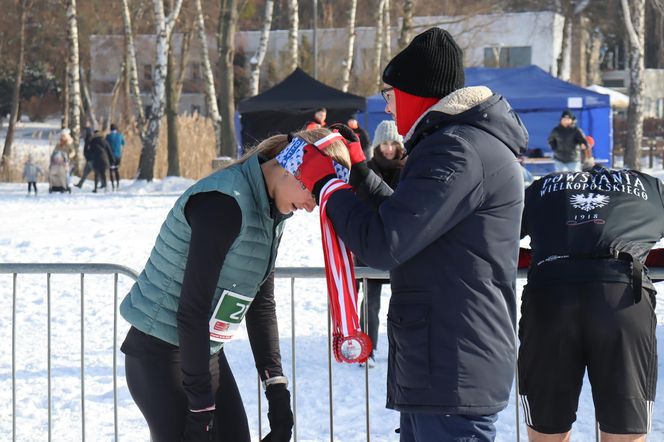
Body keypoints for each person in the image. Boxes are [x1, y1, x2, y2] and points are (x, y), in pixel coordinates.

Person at [296, 28, 527, 441]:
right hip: (444, 359)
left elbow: (386, 243)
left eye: (390, 94)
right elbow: (413, 219)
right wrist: (361, 173)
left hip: (452, 361)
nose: (388, 107)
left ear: (415, 95)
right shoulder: (458, 143)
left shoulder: (456, 149)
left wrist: (325, 188)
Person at [119, 128, 351, 442]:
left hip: (204, 351)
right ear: (292, 167)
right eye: (314, 190)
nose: (312, 206)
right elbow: (192, 309)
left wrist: (277, 392)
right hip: (158, 355)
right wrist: (201, 408)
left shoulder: (271, 211)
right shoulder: (224, 203)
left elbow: (261, 305)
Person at [518, 165, 661, 442]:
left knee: (546, 430)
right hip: (620, 294)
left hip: (551, 291)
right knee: (624, 430)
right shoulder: (649, 186)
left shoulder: (544, 186)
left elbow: (498, 226)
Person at [355, 119, 406, 367]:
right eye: (384, 143)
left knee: (402, 303)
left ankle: (402, 350)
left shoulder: (408, 169)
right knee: (370, 303)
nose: (388, 148)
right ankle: (367, 348)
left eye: (393, 143)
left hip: (401, 248)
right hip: (372, 245)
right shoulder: (366, 169)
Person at [105, 123, 125, 190]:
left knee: (111, 170)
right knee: (116, 170)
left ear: (110, 129)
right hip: (118, 155)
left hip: (110, 156)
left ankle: (113, 185)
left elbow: (105, 145)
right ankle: (118, 185)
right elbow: (123, 143)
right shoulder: (120, 135)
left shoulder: (108, 136)